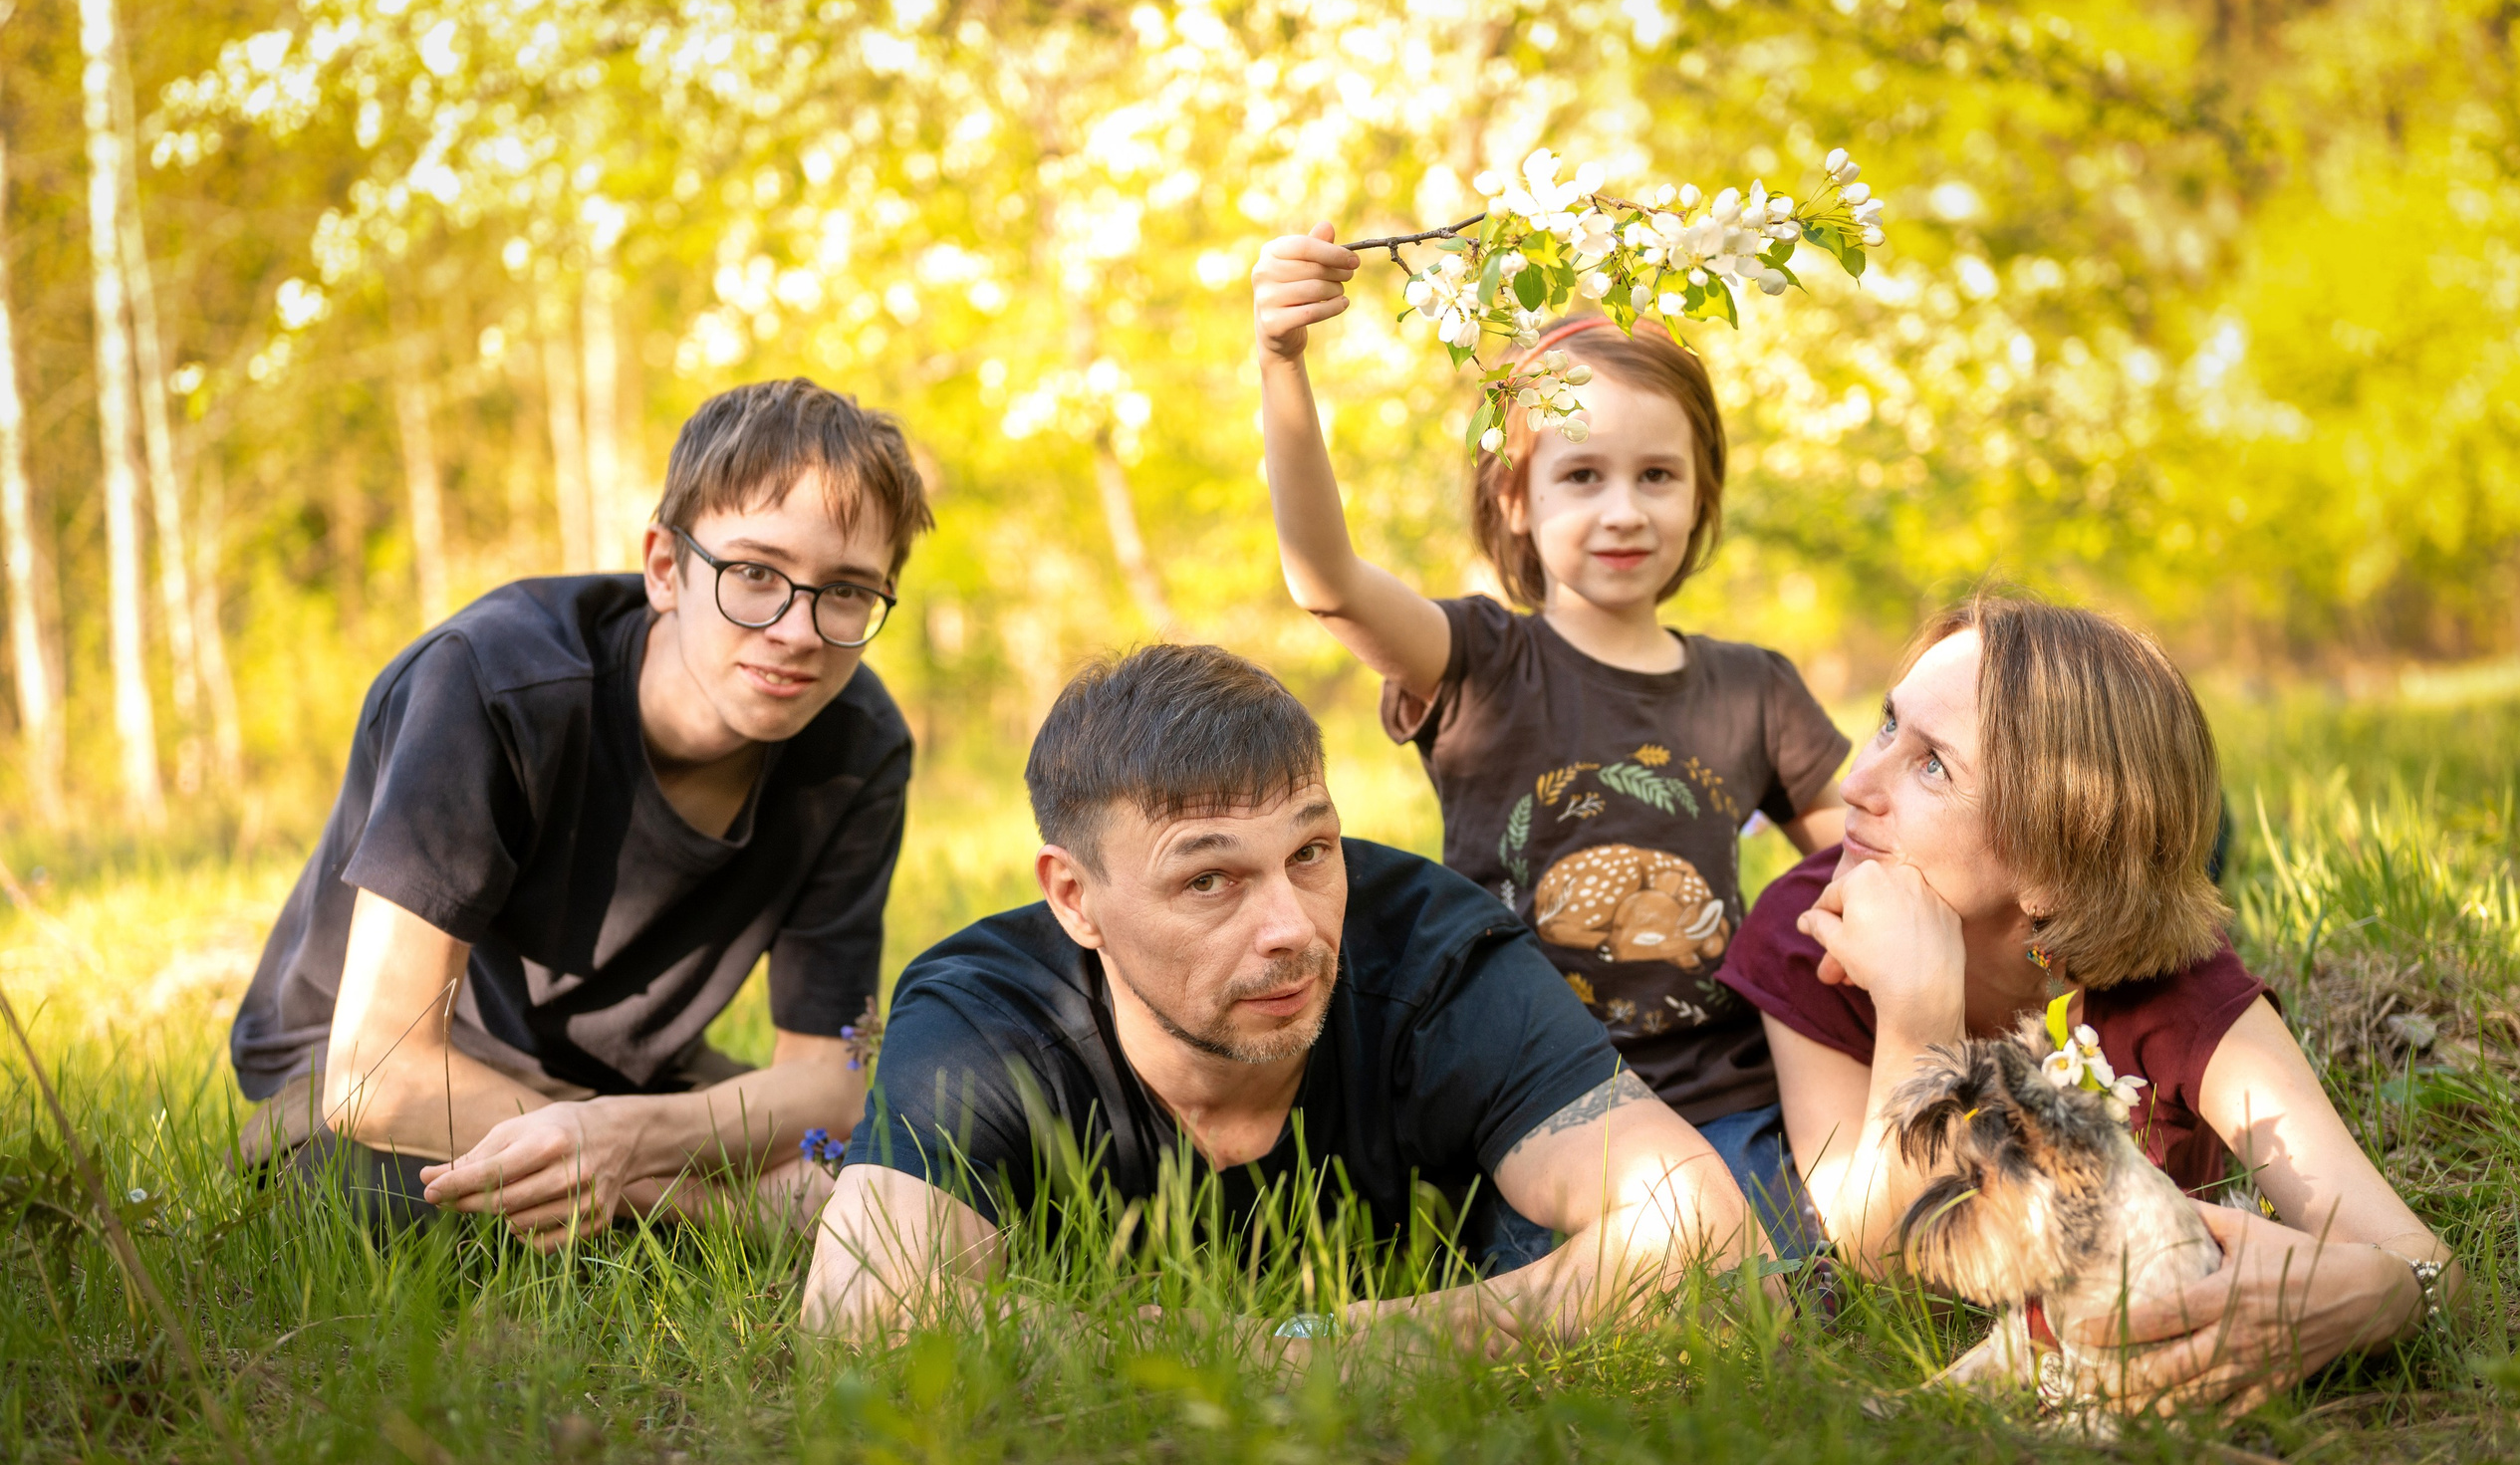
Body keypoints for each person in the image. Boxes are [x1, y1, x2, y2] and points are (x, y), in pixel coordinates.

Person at [798, 644, 1776, 1351]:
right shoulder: (988, 1015)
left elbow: (1703, 1229)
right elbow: (860, 1317)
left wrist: (1329, 1345)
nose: (1292, 927)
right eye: (1208, 880)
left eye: (1311, 852)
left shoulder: (1432, 955)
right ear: (1075, 896)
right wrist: (1192, 1356)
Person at [1249, 229, 1851, 1252]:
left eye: (1657, 474)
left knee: (1778, 1276)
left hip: (1728, 1101)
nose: (1624, 511)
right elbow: (1326, 581)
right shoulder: (1480, 661)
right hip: (1539, 1105)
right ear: (1515, 499)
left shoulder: (1755, 689)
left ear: (1702, 487)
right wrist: (1281, 362)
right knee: (1616, 1296)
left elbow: (1862, 862)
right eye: (1581, 477)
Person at [230, 377, 932, 1247]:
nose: (797, 629)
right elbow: (377, 1074)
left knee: (909, 1166)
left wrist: (618, 1135)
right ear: (666, 567)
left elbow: (828, 1083)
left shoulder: (858, 744)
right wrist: (673, 1180)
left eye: (848, 591)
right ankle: (710, 1221)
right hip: (372, 1084)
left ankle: (666, 1204)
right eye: (755, 573)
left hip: (627, 1089)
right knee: (396, 1208)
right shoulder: (492, 683)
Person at [1719, 594, 2461, 1409]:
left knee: (2191, 849)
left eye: (1934, 764)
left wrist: (2387, 1294)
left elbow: (2425, 1263)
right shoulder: (1807, 931)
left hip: (2107, 884)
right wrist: (1916, 1016)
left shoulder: (2178, 992)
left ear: (2049, 861)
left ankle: (2199, 843)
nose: (1857, 784)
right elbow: (1884, 1270)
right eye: (1889, 725)